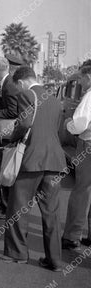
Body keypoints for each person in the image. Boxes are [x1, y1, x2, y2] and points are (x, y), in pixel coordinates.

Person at [0, 66, 66, 272]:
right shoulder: (54, 99)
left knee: (17, 207)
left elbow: (25, 124)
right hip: (54, 160)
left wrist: (12, 137)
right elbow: (56, 129)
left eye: (17, 86)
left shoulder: (27, 94)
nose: (17, 90)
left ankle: (17, 254)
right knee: (51, 213)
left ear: (22, 82)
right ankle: (55, 261)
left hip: (31, 160)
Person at [0, 55, 24, 219]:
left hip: (8, 134)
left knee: (5, 169)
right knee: (2, 169)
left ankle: (6, 208)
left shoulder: (9, 85)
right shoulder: (7, 83)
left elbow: (13, 111)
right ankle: (3, 203)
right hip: (7, 132)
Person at [62, 65, 91, 250]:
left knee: (81, 191)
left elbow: (80, 124)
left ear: (89, 76)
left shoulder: (89, 95)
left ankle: (72, 236)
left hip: (88, 144)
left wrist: (67, 125)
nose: (80, 82)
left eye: (81, 78)